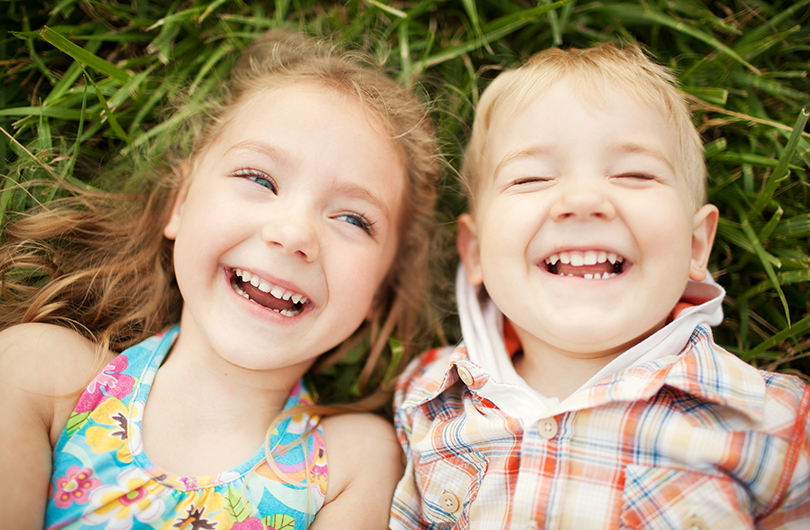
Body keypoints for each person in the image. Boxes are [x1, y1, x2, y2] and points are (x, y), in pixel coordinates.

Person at [0, 29, 439, 529]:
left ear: (380, 290)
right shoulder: (41, 377)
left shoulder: (352, 463)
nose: (294, 233)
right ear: (181, 204)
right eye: (259, 179)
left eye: (353, 219)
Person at [390, 43, 809, 529]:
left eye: (634, 174)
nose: (584, 200)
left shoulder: (775, 419)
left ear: (696, 246)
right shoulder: (424, 397)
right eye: (531, 178)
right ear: (476, 252)